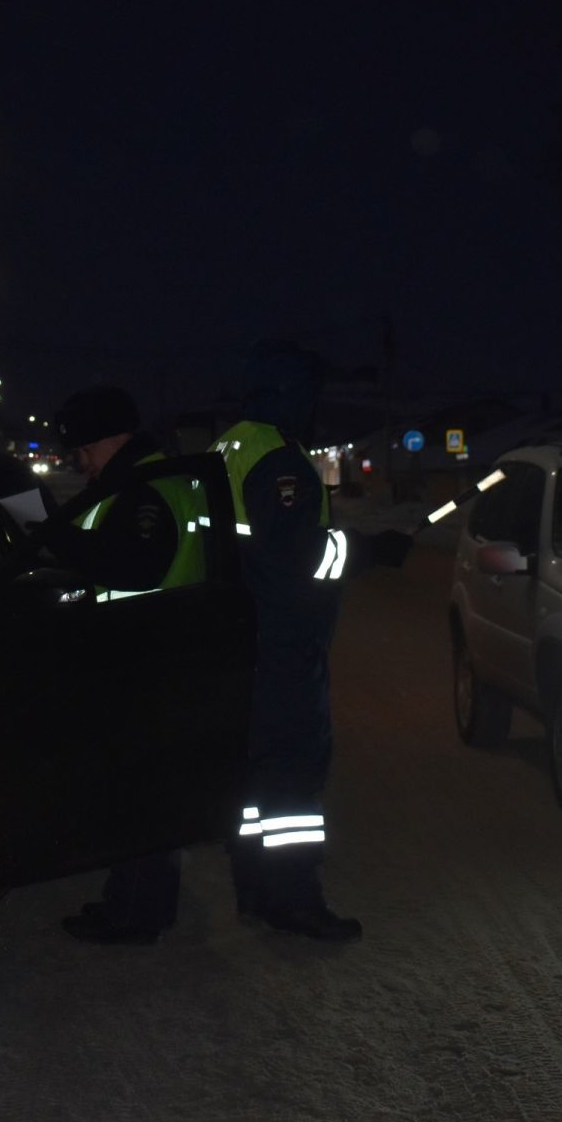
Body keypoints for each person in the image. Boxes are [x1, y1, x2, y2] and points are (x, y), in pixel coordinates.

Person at [216, 339, 413, 942]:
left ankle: (255, 889)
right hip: (282, 641)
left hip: (244, 636)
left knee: (256, 781)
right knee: (294, 779)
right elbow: (296, 555)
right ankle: (295, 902)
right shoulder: (280, 459)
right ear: (291, 393)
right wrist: (369, 550)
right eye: (310, 393)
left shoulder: (233, 446)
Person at [36, 384, 204, 944]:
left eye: (82, 448)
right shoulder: (144, 481)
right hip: (155, 657)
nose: (78, 460)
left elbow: (134, 568)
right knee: (144, 796)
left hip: (145, 662)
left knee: (140, 799)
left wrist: (57, 539)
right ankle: (135, 905)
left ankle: (132, 915)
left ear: (109, 438)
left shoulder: (145, 489)